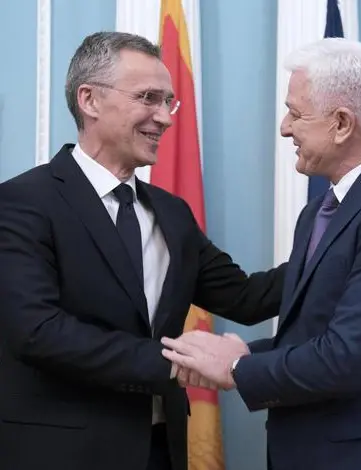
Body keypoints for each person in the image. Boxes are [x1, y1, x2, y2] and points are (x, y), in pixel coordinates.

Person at [161, 37, 361, 470]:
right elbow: (318, 334)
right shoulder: (321, 212)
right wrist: (248, 355)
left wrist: (236, 369)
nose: (285, 127)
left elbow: (346, 357)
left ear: (342, 123)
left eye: (296, 113)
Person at [0, 32, 287, 470]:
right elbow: (38, 331)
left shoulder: (171, 213)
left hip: (161, 450)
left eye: (168, 101)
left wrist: (336, 248)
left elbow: (246, 298)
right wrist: (173, 363)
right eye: (149, 98)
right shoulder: (23, 202)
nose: (165, 118)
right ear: (89, 99)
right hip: (62, 452)